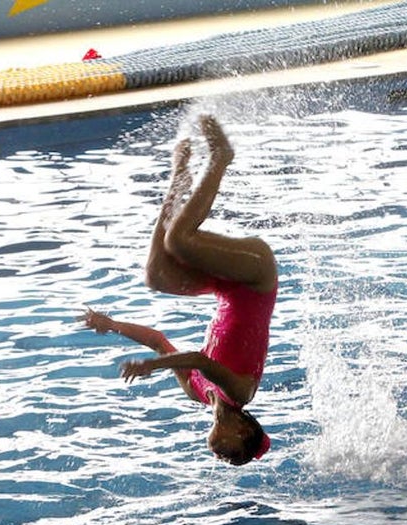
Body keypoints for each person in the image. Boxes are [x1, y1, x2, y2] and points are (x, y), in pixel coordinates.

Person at [83, 115, 277, 465]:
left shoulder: (196, 392)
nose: (223, 458)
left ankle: (181, 173)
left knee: (156, 276)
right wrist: (152, 367)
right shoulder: (241, 391)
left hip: (226, 288)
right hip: (255, 279)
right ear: (243, 431)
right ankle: (220, 157)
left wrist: (112, 325)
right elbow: (199, 359)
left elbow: (159, 340)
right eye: (233, 456)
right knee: (179, 241)